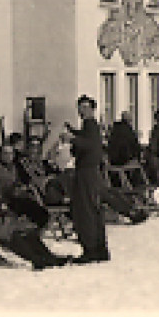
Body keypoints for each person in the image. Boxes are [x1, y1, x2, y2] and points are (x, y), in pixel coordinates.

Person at [67, 95, 110, 263]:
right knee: (94, 209)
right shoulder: (90, 126)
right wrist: (75, 133)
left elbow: (90, 144)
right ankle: (99, 248)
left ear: (92, 109)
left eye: (85, 107)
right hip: (91, 171)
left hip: (86, 172)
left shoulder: (90, 124)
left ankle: (91, 249)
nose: (81, 111)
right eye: (80, 107)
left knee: (85, 210)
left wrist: (73, 139)